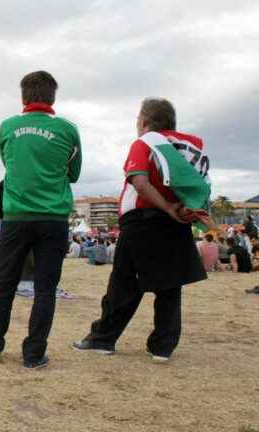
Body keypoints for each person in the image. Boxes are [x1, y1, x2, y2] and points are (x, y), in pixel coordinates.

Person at [73, 97, 208, 363]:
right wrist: (178, 209)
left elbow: (140, 182)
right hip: (177, 223)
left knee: (123, 283)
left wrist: (166, 206)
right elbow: (198, 184)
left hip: (143, 220)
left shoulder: (145, 142)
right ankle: (162, 347)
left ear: (145, 122)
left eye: (137, 118)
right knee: (170, 285)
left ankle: (103, 338)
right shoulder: (193, 145)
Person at [0, 71, 81, 369]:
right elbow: (73, 174)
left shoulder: (8, 127)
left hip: (16, 216)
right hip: (53, 218)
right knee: (45, 289)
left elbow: (9, 164)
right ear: (53, 97)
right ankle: (34, 355)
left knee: (4, 285)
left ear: (23, 97)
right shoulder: (68, 130)